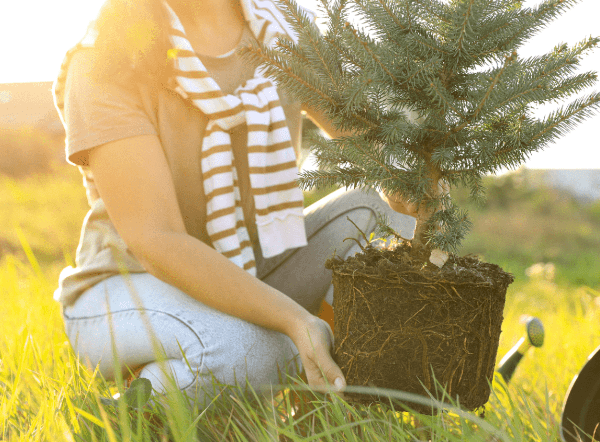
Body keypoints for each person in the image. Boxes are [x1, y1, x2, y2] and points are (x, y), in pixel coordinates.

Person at [53, 0, 417, 404]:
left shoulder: (283, 28)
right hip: (129, 287)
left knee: (381, 209)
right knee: (254, 352)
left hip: (248, 267)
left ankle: (323, 407)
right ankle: (121, 413)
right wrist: (294, 320)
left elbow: (372, 143)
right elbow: (157, 239)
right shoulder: (107, 56)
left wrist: (420, 178)